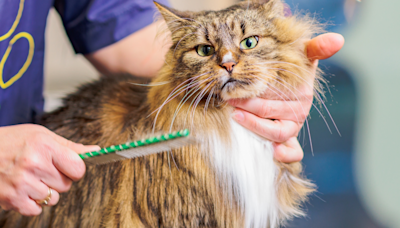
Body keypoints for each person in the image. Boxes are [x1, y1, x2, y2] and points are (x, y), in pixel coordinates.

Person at [0, 0, 344, 216]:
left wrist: (286, 71)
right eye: (209, 52)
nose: (227, 61)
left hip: (29, 174)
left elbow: (126, 33)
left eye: (248, 43)